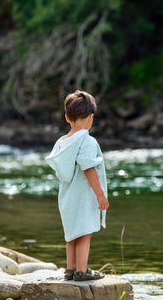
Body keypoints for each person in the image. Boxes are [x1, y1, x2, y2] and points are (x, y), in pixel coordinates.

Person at [45, 90, 109, 281]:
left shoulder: (62, 142)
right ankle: (82, 270)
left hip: (66, 197)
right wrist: (100, 194)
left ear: (67, 118)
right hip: (83, 196)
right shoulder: (87, 141)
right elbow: (89, 168)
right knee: (85, 233)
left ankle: (70, 270)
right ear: (90, 117)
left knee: (72, 234)